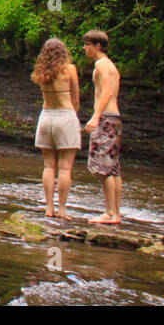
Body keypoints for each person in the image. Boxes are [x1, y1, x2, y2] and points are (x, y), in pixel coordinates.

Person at [31, 37, 81, 220]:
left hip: (46, 117)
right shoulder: (69, 70)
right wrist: (75, 119)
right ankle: (61, 210)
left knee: (48, 166)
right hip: (65, 116)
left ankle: (48, 208)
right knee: (65, 168)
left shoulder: (41, 71)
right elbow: (75, 99)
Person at [82, 29, 123, 224]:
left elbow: (106, 92)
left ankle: (110, 213)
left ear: (97, 46)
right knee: (114, 168)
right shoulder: (111, 66)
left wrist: (94, 118)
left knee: (104, 167)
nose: (84, 48)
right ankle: (116, 213)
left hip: (105, 117)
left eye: (87, 44)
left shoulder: (101, 64)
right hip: (114, 117)